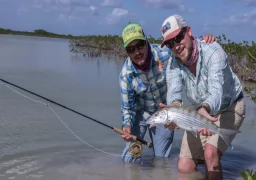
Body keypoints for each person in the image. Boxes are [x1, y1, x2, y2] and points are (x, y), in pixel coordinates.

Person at [160, 14, 246, 179]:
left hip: (230, 106)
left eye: (178, 38)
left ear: (189, 32)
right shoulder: (173, 63)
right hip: (198, 113)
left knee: (210, 155)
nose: (176, 46)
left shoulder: (213, 51)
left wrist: (204, 108)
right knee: (184, 167)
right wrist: (174, 110)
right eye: (171, 43)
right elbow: (174, 92)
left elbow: (216, 91)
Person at [119, 22, 217, 163]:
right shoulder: (125, 75)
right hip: (140, 114)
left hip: (166, 113)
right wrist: (127, 126)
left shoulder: (164, 53)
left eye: (140, 45)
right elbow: (127, 108)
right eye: (131, 49)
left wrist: (206, 39)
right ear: (127, 51)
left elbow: (186, 45)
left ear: (147, 41)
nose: (137, 52)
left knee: (161, 159)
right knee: (130, 158)